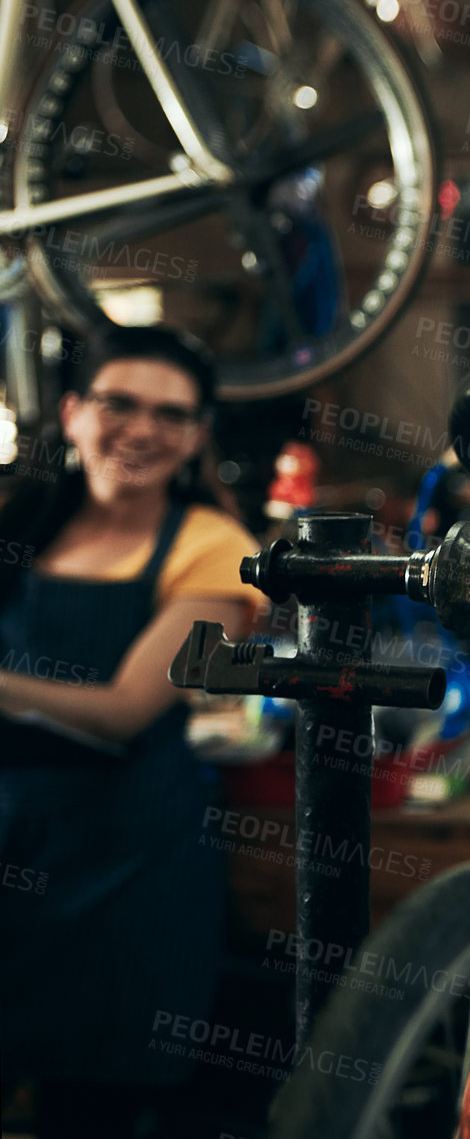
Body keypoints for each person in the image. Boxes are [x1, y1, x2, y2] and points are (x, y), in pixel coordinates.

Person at [0, 325, 263, 1136]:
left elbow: (124, 707)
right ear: (74, 413)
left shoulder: (215, 548)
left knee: (92, 1105)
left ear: (195, 436)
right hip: (11, 839)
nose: (142, 429)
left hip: (127, 864)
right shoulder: (21, 521)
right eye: (119, 403)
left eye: (171, 414)